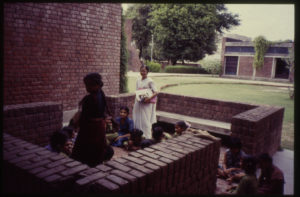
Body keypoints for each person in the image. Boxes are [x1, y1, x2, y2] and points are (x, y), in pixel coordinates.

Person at [71, 72, 114, 167]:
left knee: (85, 152)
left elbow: (83, 117)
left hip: (90, 129)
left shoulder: (89, 99)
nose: (86, 88)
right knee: (96, 151)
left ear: (95, 85)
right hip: (99, 128)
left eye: (87, 85)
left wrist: (75, 123)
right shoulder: (100, 93)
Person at [133, 65, 158, 139]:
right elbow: (137, 91)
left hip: (147, 104)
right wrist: (135, 101)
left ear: (147, 72)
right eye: (141, 71)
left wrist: (148, 98)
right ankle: (138, 135)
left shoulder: (150, 81)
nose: (142, 72)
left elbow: (156, 92)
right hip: (139, 102)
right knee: (137, 117)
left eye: (144, 71)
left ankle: (147, 136)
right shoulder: (138, 80)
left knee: (145, 119)